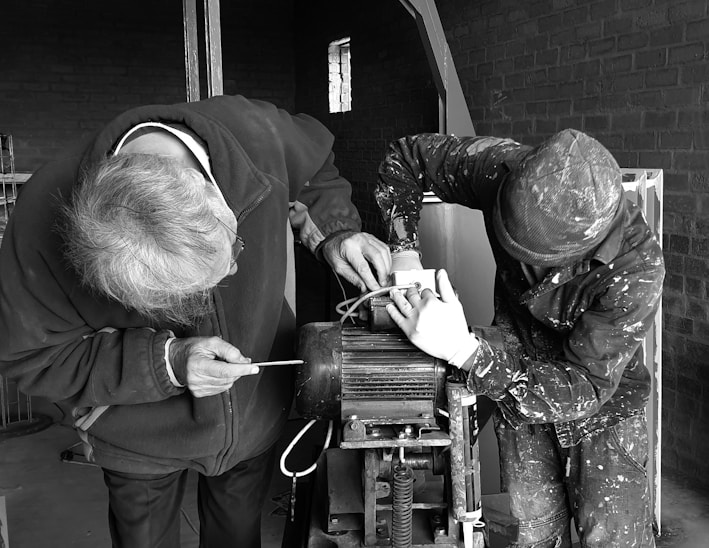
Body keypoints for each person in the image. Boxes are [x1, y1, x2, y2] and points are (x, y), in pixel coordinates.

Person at [0, 94, 391, 548]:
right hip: (138, 437)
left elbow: (317, 165)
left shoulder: (255, 134)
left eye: (232, 256)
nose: (230, 277)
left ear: (215, 191)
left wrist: (334, 232)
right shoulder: (40, 220)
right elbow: (33, 357)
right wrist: (167, 362)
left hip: (253, 416)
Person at [376, 129, 664, 548]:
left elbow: (584, 385)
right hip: (515, 385)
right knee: (532, 532)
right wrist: (403, 252)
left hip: (600, 408)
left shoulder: (636, 270)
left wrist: (465, 351)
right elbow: (406, 155)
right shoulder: (503, 169)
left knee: (612, 538)